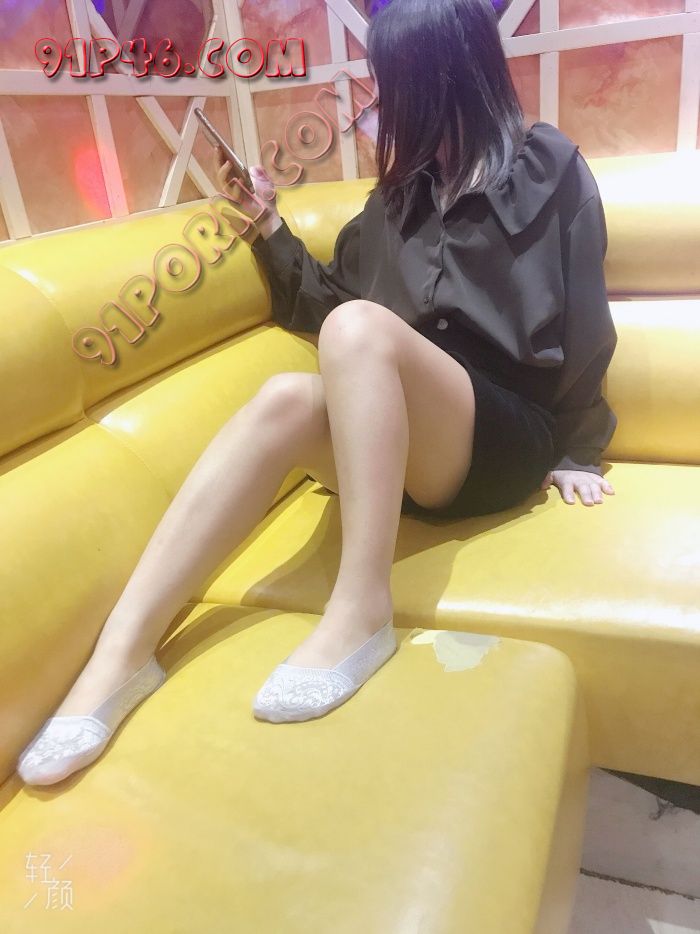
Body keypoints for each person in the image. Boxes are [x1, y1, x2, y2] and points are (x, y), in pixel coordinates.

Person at [17, 0, 617, 785]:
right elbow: (333, 306)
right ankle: (122, 654)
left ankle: (362, 608)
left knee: (360, 331)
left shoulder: (547, 167)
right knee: (282, 397)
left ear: (450, 76)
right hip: (403, 448)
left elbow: (584, 314)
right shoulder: (395, 200)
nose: (385, 101)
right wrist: (268, 225)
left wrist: (581, 449)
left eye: (397, 82)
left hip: (501, 436)